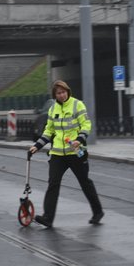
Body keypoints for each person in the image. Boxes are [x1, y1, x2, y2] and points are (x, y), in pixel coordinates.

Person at [28, 80, 103, 228]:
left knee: (84, 182)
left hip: (75, 152)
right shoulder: (53, 109)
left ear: (68, 91)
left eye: (63, 92)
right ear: (54, 95)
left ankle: (98, 211)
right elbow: (49, 131)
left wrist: (79, 139)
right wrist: (37, 146)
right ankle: (48, 218)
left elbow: (86, 124)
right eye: (58, 93)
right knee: (53, 184)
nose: (62, 95)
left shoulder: (77, 105)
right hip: (57, 153)